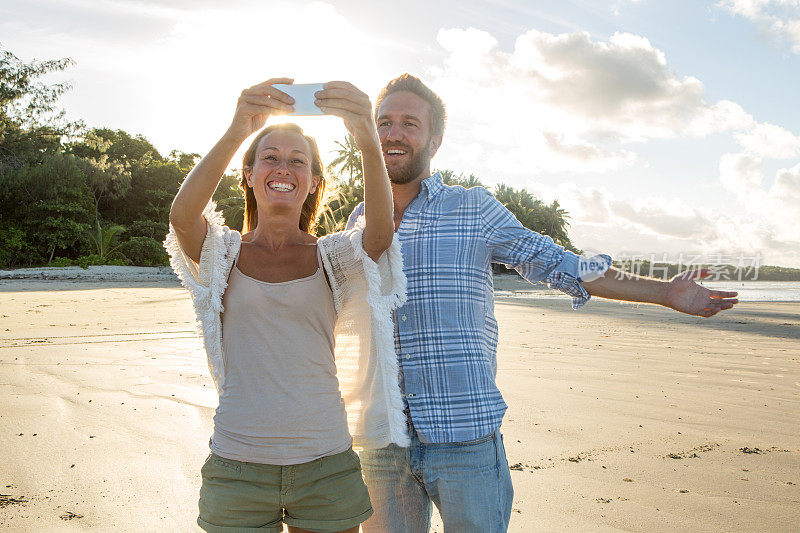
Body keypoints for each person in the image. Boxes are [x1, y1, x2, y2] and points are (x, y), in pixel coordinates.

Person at [345, 73, 740, 532]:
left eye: (409, 123)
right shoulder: (356, 223)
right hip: (381, 445)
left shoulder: (473, 208)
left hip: (465, 441)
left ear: (435, 140)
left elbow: (560, 264)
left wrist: (663, 291)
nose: (393, 134)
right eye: (384, 122)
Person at [164, 78, 409, 533]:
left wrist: (366, 140)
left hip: (326, 466)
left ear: (315, 180)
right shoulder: (224, 255)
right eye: (270, 158)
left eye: (298, 161)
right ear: (249, 174)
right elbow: (182, 217)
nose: (283, 167)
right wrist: (240, 128)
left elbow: (379, 234)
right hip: (237, 466)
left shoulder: (333, 257)